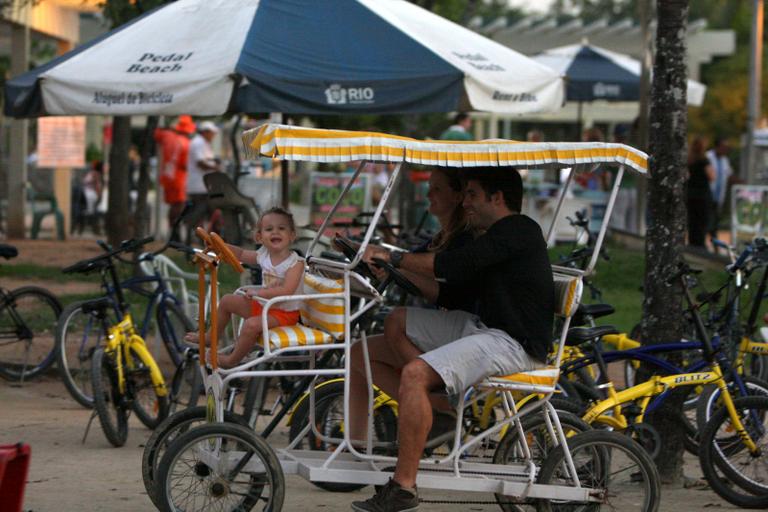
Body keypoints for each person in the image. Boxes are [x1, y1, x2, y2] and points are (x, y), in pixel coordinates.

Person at [351, 167, 555, 512]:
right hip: (485, 328)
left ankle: (403, 485)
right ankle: (429, 413)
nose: (466, 202)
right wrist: (397, 271)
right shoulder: (493, 235)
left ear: (497, 198)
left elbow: (458, 263)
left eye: (472, 194)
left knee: (415, 373)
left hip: (514, 344)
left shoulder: (518, 229)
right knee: (364, 349)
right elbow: (453, 292)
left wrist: (394, 257)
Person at [186, 207, 304, 368]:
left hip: (284, 314)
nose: (275, 232)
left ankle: (231, 360)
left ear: (292, 235)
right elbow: (240, 255)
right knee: (227, 301)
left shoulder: (295, 263)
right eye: (269, 229)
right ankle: (210, 337)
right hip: (263, 305)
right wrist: (220, 245)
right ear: (259, 237)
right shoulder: (264, 255)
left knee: (251, 325)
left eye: (281, 228)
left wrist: (259, 292)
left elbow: (287, 290)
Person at [155, 115, 196, 241]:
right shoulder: (187, 143)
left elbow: (156, 134)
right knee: (178, 206)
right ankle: (174, 232)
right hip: (179, 178)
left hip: (167, 176)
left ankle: (172, 230)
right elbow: (185, 164)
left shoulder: (167, 135)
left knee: (173, 206)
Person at [186, 121, 222, 243]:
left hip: (204, 185)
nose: (213, 136)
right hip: (199, 185)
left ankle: (207, 237)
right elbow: (200, 162)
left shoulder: (204, 143)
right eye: (212, 133)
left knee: (208, 212)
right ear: (205, 132)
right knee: (200, 212)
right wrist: (215, 168)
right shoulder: (198, 142)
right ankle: (196, 235)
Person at [687, 136, 715, 248]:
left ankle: (692, 243)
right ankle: (700, 244)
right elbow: (712, 176)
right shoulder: (704, 161)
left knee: (692, 221)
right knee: (702, 221)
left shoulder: (689, 160)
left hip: (691, 194)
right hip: (703, 194)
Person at [706, 136, 733, 243]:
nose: (725, 149)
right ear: (717, 146)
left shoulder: (725, 160)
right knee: (706, 221)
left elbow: (729, 175)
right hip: (708, 195)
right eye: (723, 147)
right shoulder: (708, 157)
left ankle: (714, 243)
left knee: (715, 222)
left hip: (718, 197)